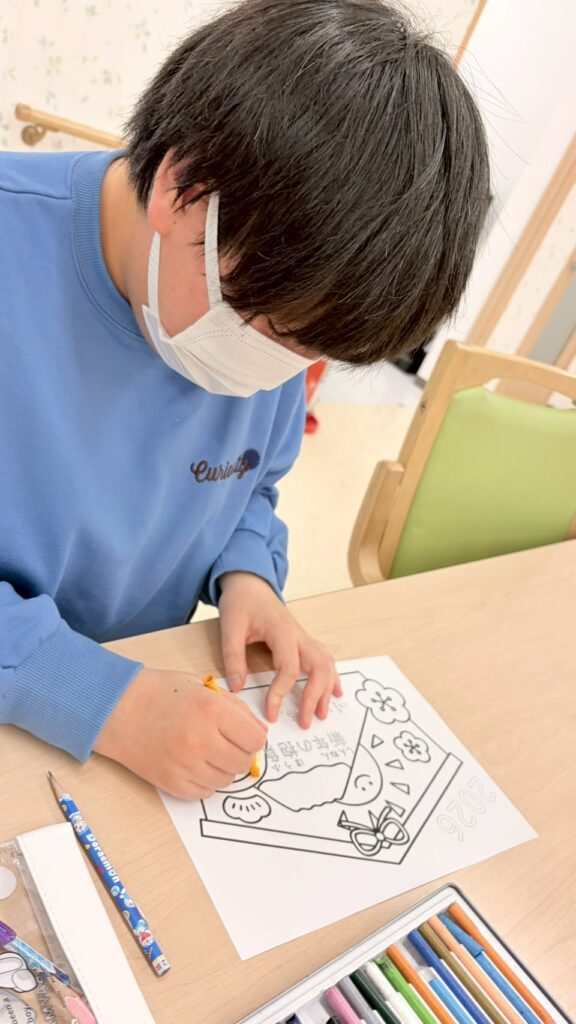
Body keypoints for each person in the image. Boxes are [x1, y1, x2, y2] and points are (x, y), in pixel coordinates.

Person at [0, 0, 490, 800]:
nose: (284, 370)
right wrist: (106, 699)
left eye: (317, 352)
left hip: (140, 730)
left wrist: (247, 576)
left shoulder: (268, 306)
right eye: (278, 331)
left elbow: (250, 484)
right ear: (183, 189)